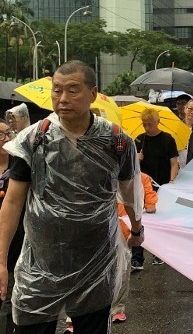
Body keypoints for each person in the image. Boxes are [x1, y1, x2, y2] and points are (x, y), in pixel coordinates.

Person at [0, 60, 143, 333]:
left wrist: (137, 230)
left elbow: (130, 195)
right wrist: (1, 260)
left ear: (93, 93)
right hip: (41, 264)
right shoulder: (34, 139)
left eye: (73, 90)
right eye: (57, 90)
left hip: (95, 262)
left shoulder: (116, 141)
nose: (63, 98)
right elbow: (13, 202)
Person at [133, 108, 178, 269]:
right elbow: (130, 164)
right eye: (144, 124)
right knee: (138, 218)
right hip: (142, 185)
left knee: (159, 220)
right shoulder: (139, 139)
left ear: (158, 122)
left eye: (150, 124)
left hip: (162, 185)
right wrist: (136, 158)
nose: (147, 127)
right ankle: (137, 257)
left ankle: (158, 253)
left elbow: (174, 162)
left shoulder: (168, 139)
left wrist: (171, 181)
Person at [112, 172, 158, 324]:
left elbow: (149, 198)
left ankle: (117, 309)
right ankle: (77, 315)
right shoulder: (102, 175)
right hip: (104, 229)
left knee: (121, 269)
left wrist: (150, 205)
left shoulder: (141, 178)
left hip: (124, 231)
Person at [0, 120, 18, 334]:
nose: (5, 139)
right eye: (0, 135)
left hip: (14, 239)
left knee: (10, 295)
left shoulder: (19, 165)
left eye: (8, 133)